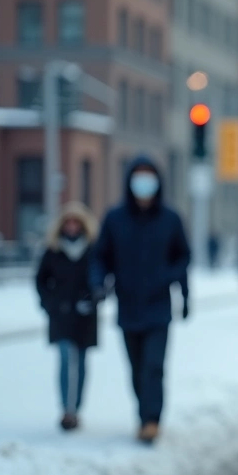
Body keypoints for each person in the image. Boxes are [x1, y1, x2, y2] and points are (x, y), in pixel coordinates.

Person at [90, 156, 191, 444]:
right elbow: (101, 257)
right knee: (136, 367)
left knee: (154, 366)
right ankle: (143, 412)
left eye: (149, 176)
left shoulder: (170, 219)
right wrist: (99, 284)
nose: (144, 182)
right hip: (128, 304)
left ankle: (152, 420)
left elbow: (183, 256)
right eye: (139, 175)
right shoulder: (115, 218)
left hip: (158, 306)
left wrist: (176, 286)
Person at [35, 202, 100, 431]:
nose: (72, 226)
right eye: (68, 222)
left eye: (76, 222)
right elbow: (41, 280)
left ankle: (77, 407)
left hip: (85, 315)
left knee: (81, 363)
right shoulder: (53, 251)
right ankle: (66, 410)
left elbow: (102, 280)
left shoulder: (93, 251)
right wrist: (48, 303)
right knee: (64, 359)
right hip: (60, 314)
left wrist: (94, 298)